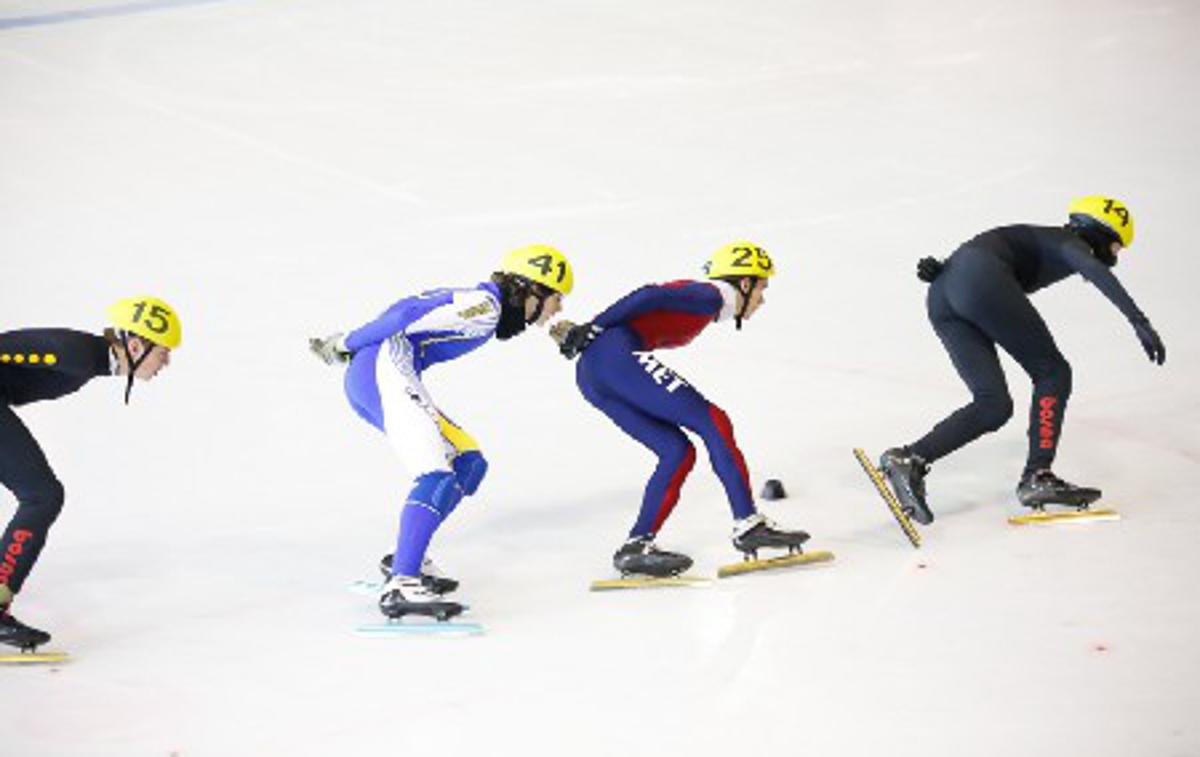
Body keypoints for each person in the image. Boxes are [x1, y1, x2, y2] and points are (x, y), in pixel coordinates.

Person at [310, 245, 574, 620]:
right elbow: (404, 314)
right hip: (383, 371)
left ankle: (405, 559)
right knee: (434, 474)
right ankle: (402, 584)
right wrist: (344, 343)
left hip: (385, 371)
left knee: (468, 463)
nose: (556, 310)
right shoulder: (486, 306)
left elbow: (405, 309)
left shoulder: (481, 302)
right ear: (530, 290)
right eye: (555, 299)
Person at [879, 196, 1166, 523]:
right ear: (1101, 234)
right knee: (1053, 373)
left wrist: (945, 268)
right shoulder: (1071, 244)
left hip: (943, 294)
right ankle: (1038, 476)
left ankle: (909, 459)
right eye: (1116, 247)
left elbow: (982, 249)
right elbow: (1092, 268)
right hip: (977, 281)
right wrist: (1138, 320)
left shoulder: (1045, 237)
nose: (1115, 256)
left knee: (993, 406)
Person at [555, 242, 809, 577]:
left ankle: (636, 546)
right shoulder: (711, 296)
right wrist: (596, 326)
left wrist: (591, 332)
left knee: (677, 451)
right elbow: (649, 295)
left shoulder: (707, 303)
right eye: (762, 286)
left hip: (594, 375)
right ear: (744, 283)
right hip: (613, 357)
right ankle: (748, 523)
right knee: (713, 420)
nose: (762, 299)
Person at [1, 296, 180, 650]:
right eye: (163, 351)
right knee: (42, 495)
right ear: (135, 344)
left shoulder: (90, 360)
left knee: (43, 494)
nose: (167, 362)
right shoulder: (75, 352)